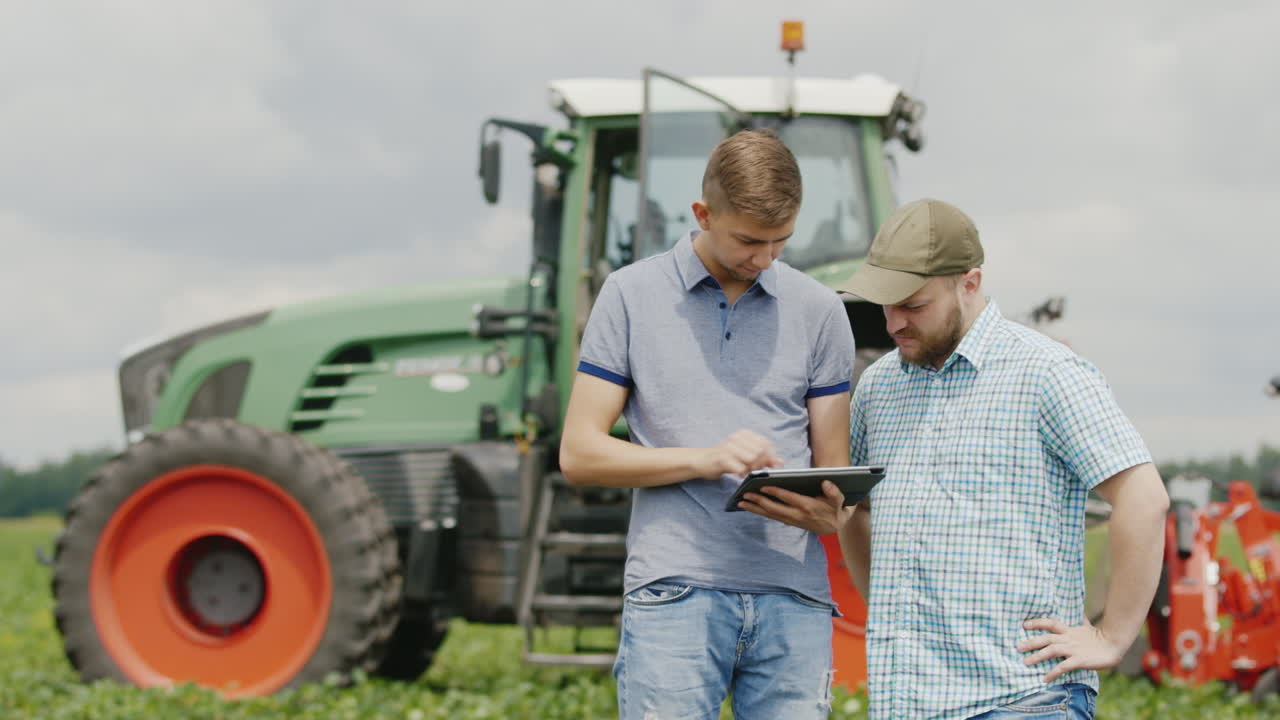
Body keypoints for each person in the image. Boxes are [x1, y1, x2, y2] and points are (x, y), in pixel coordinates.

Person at [559, 128, 856, 720]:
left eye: (781, 242)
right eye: (749, 240)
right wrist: (707, 459)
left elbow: (835, 475)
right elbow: (580, 454)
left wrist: (832, 512)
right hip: (676, 589)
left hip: (793, 595)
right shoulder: (629, 295)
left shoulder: (821, 310)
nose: (765, 258)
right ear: (702, 213)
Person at [836, 198, 1169, 720]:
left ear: (969, 283)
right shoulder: (879, 386)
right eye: (885, 304)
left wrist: (1111, 636)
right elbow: (854, 508)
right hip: (907, 703)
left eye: (913, 304)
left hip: (1021, 699)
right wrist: (883, 602)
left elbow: (1143, 499)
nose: (894, 322)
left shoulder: (1046, 373)